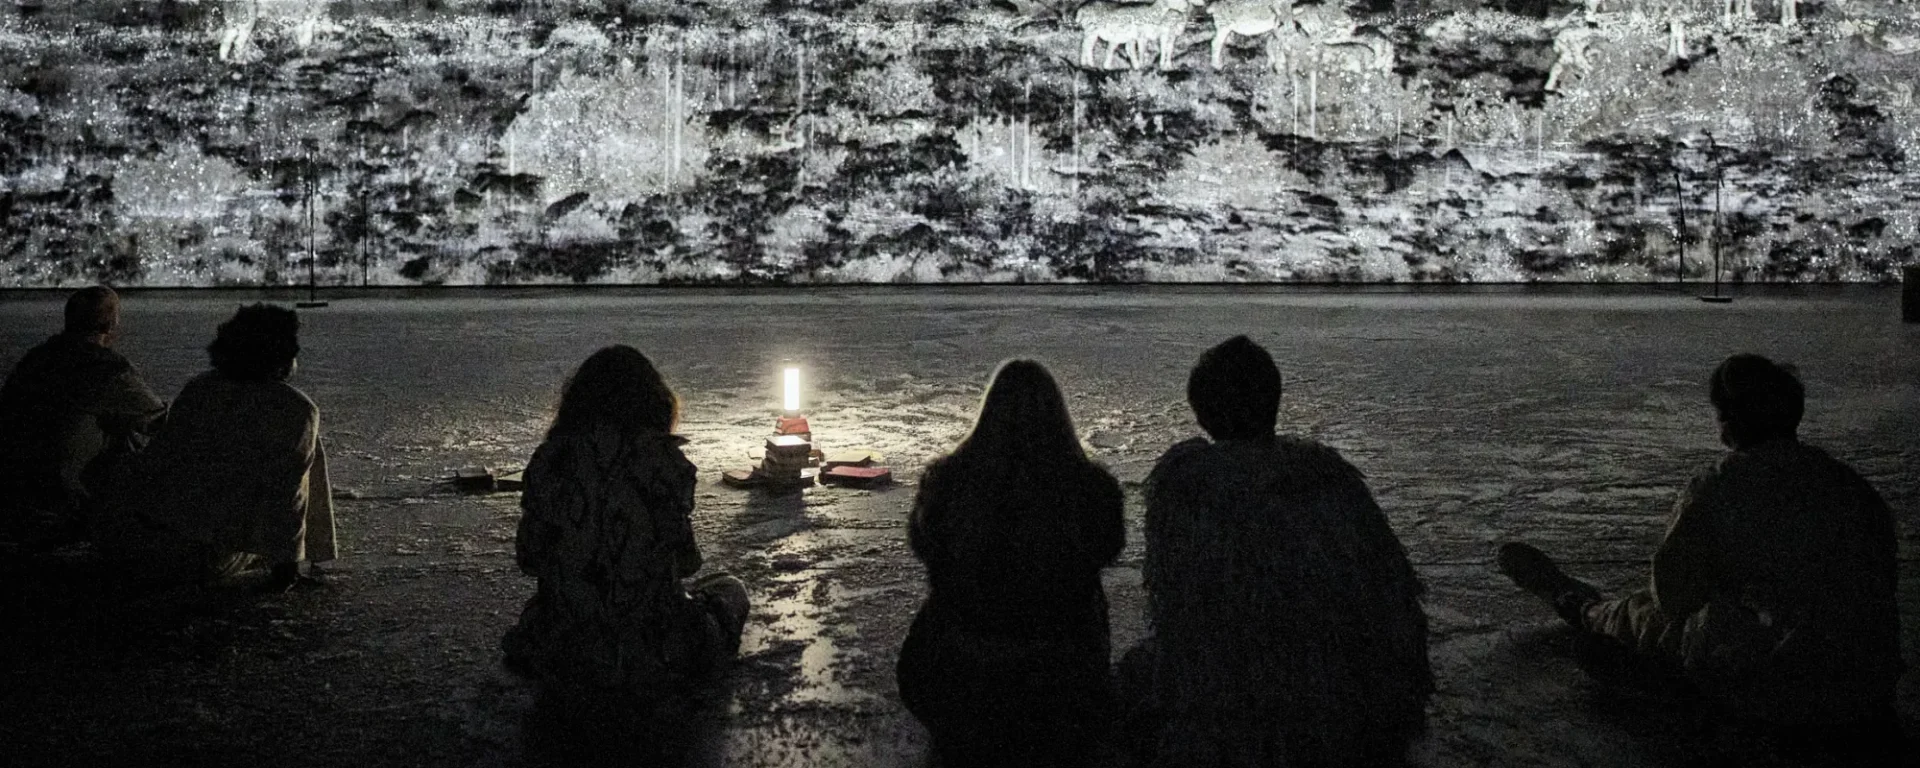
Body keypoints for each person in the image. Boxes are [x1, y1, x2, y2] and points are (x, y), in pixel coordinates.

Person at [1499, 354, 1902, 742]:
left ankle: (1586, 610)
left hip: (1778, 688)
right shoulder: (1852, 487)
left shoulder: (1720, 484)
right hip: (1866, 686)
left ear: (1728, 420)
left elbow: (1674, 595)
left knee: (1653, 616)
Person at [1120, 335, 1433, 767]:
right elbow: (1395, 602)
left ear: (1204, 413)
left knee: (1134, 678)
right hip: (1341, 711)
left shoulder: (1188, 489)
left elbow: (1179, 620)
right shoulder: (1332, 482)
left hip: (1231, 722)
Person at [896, 359, 1125, 768]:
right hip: (1058, 682)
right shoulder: (1090, 489)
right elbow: (1109, 549)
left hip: (957, 675)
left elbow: (925, 547)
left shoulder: (947, 482)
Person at [502, 345, 749, 701]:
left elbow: (529, 559)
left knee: (542, 611)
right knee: (730, 589)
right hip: (652, 652)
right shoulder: (665, 463)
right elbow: (687, 562)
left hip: (567, 653)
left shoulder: (551, 461)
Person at [94, 303, 335, 590]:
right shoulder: (294, 408)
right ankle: (308, 555)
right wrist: (286, 566)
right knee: (305, 454)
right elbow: (288, 495)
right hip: (204, 557)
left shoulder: (199, 389)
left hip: (143, 542)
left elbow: (161, 462)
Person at [0, 286, 166, 544]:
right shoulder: (108, 369)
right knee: (128, 438)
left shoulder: (34, 360)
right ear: (111, 325)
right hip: (59, 501)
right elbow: (160, 421)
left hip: (13, 493)